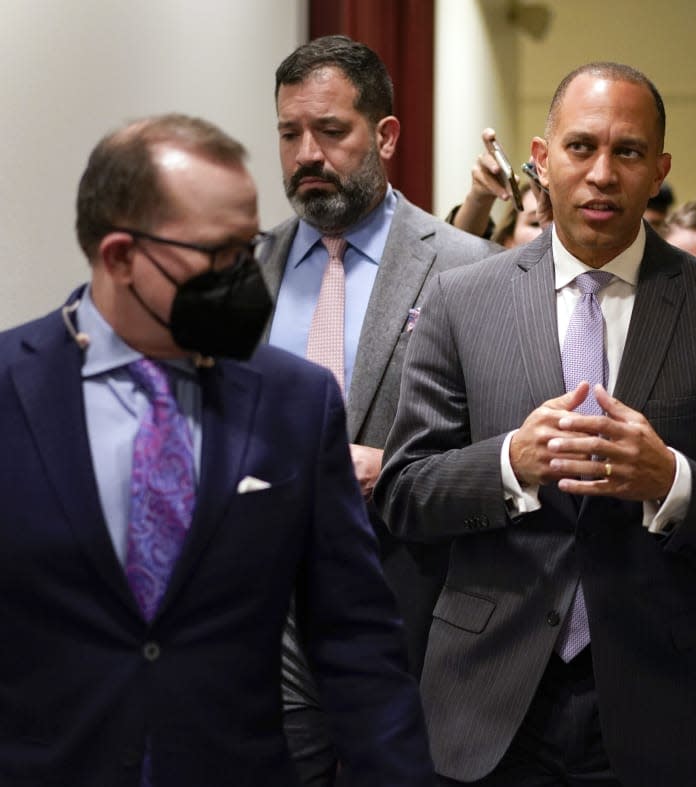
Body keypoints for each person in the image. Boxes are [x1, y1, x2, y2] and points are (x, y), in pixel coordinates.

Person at [374, 61, 696, 785]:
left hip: (657, 698)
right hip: (487, 698)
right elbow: (405, 491)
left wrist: (672, 481)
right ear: (540, 160)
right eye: (580, 147)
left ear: (659, 169)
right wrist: (510, 462)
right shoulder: (459, 301)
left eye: (628, 152)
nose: (603, 173)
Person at [0, 113, 432, 786]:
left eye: (249, 245)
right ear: (120, 256)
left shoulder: (295, 402)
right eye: (219, 255)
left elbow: (355, 639)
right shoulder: (8, 389)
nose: (247, 275)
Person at [255, 35, 497, 785]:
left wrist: (394, 469)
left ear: (385, 134)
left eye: (331, 131)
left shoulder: (466, 266)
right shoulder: (246, 268)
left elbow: (503, 446)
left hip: (409, 607)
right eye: (291, 133)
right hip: (270, 618)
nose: (307, 153)